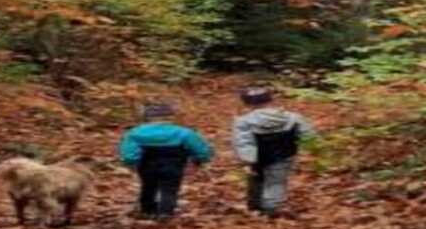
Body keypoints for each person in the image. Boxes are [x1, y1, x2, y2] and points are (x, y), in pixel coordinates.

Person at [118, 101, 213, 219]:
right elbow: (199, 148)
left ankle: (147, 210)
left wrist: (131, 162)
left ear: (147, 118)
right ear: (171, 117)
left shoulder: (135, 133)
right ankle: (166, 211)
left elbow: (129, 152)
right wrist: (202, 158)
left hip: (147, 164)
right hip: (174, 164)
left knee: (148, 186)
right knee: (170, 188)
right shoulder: (183, 132)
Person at [232, 86, 312, 216]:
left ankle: (255, 205)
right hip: (284, 155)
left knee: (256, 179)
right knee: (276, 182)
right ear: (272, 100)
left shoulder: (243, 121)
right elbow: (308, 136)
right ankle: (270, 207)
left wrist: (247, 161)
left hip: (258, 158)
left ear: (246, 104)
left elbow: (243, 142)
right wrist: (311, 150)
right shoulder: (293, 118)